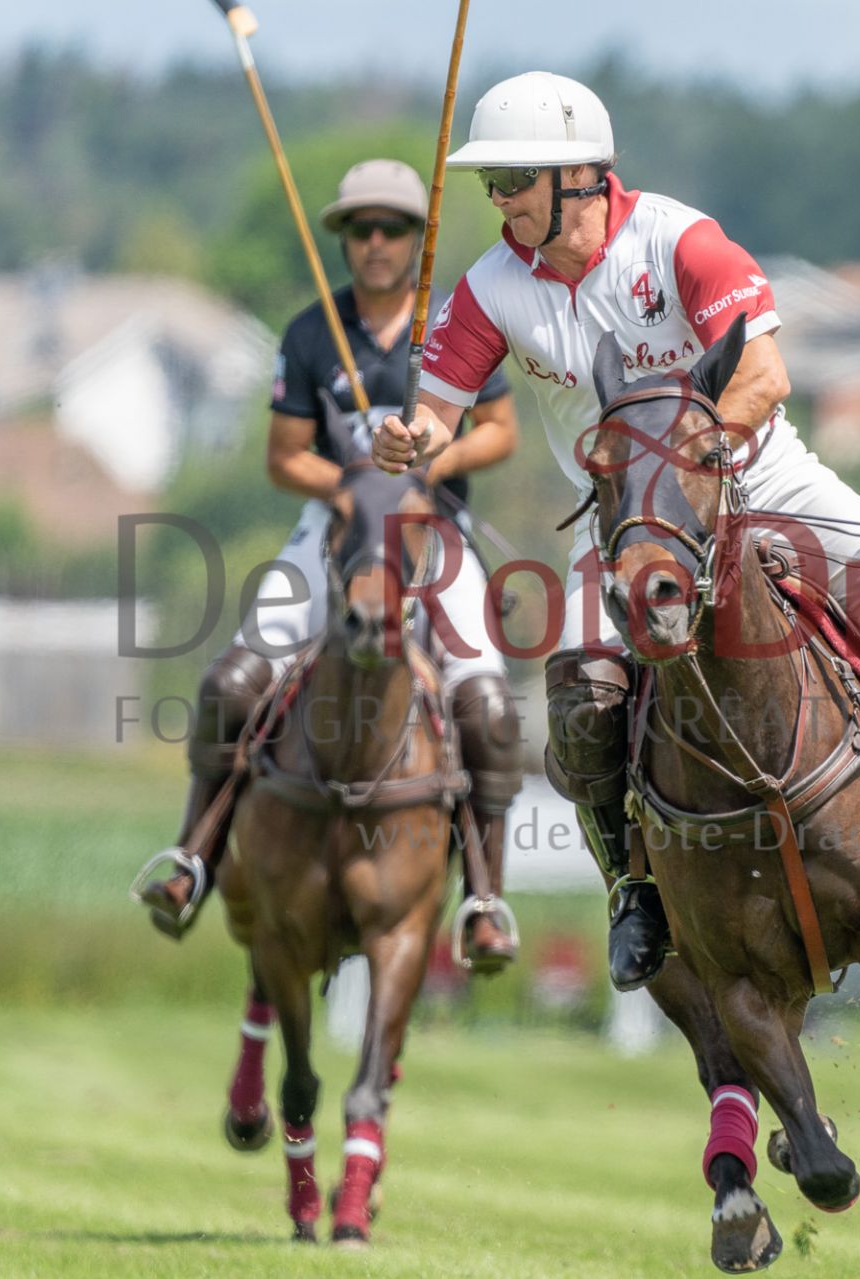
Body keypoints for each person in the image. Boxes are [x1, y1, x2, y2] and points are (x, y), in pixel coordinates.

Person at [373, 72, 860, 991]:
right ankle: (633, 886)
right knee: (582, 703)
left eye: (513, 180)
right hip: (622, 519)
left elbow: (765, 375)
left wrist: (690, 467)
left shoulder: (679, 240)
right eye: (490, 183)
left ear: (578, 176)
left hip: (759, 475)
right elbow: (436, 415)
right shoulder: (490, 287)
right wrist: (410, 439)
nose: (497, 199)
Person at [137, 158, 525, 970]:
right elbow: (284, 456)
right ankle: (194, 855)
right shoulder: (312, 333)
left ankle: (485, 897)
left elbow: (499, 432)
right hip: (337, 532)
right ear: (345, 240)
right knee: (230, 684)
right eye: (361, 228)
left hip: (433, 533)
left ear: (418, 239)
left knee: (488, 707)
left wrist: (432, 464)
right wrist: (351, 483)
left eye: (393, 228)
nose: (376, 242)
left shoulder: (456, 327)